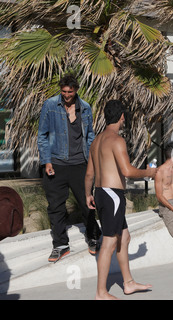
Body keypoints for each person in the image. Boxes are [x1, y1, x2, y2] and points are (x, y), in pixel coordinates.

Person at [85, 100, 156, 300]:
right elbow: (127, 171)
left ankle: (128, 283)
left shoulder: (96, 141)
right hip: (112, 195)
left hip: (101, 192)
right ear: (122, 117)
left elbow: (89, 174)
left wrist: (88, 194)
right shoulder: (116, 140)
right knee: (109, 242)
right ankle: (101, 293)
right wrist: (149, 172)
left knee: (124, 237)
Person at [37, 73, 101, 262]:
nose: (66, 95)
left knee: (87, 203)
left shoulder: (86, 108)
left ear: (76, 90)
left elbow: (90, 136)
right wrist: (46, 161)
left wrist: (92, 161)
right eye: (63, 92)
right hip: (55, 164)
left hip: (80, 164)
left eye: (70, 92)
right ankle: (60, 245)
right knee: (55, 207)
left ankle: (93, 237)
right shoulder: (50, 105)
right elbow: (42, 135)